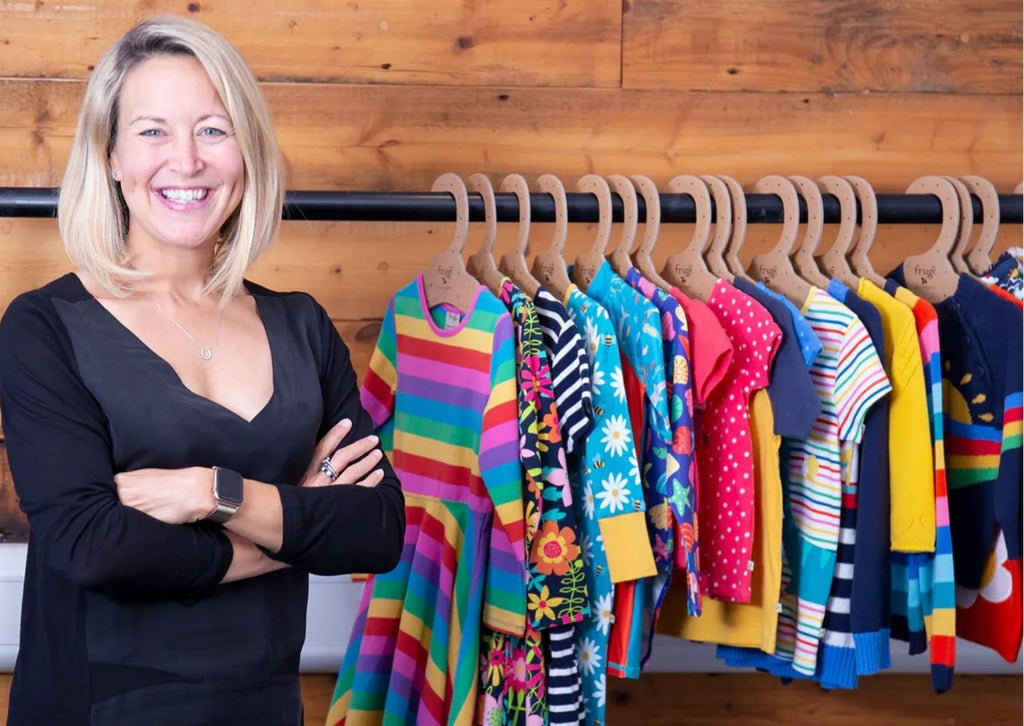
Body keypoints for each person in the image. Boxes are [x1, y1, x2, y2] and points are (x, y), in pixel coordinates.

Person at [0, 15, 404, 725]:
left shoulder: (302, 325)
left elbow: (374, 526)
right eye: (152, 130)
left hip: (265, 708)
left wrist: (213, 493)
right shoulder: (43, 328)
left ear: (246, 154)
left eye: (213, 130)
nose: (185, 161)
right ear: (111, 157)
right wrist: (291, 528)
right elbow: (93, 548)